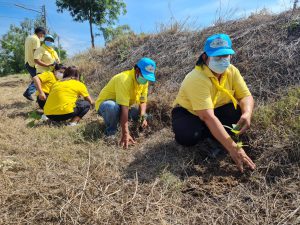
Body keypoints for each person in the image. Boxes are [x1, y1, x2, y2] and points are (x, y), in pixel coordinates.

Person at [172, 33, 256, 173]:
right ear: (205, 57)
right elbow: (207, 116)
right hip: (189, 112)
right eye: (217, 57)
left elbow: (246, 96)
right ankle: (209, 132)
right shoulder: (196, 78)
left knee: (238, 114)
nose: (223, 60)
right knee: (187, 137)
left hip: (215, 108)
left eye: (226, 56)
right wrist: (233, 148)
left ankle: (214, 132)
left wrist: (247, 113)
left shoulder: (232, 70)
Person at [95, 57, 156, 148]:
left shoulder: (144, 82)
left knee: (143, 116)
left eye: (148, 77)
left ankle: (121, 123)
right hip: (106, 107)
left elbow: (143, 101)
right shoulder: (124, 79)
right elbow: (124, 108)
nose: (146, 80)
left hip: (122, 107)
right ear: (137, 70)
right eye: (144, 76)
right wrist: (125, 133)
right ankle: (111, 133)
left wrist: (143, 116)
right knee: (111, 106)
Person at [23, 27, 46, 101]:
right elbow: (37, 53)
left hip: (27, 61)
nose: (42, 37)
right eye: (42, 35)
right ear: (40, 33)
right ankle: (28, 92)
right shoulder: (36, 39)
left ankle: (29, 92)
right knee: (39, 79)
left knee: (37, 78)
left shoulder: (29, 37)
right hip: (33, 63)